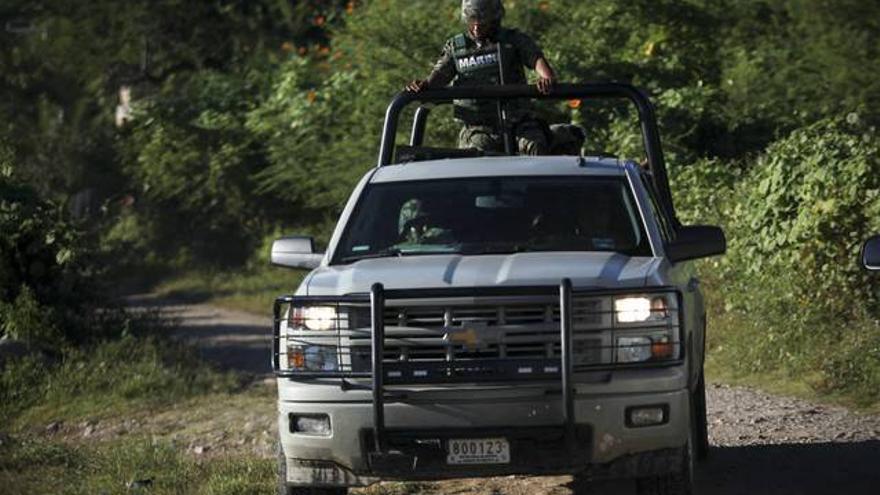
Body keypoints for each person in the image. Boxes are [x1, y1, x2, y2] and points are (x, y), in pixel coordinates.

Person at [406, 0, 557, 155]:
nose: (477, 27)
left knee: (536, 146)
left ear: (494, 19)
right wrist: (425, 85)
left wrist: (546, 77)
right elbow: (440, 76)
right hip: (477, 128)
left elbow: (535, 59)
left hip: (518, 122)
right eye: (472, 21)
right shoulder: (456, 47)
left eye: (482, 22)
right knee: (477, 158)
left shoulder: (513, 39)